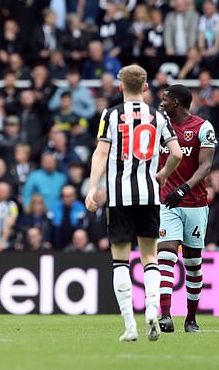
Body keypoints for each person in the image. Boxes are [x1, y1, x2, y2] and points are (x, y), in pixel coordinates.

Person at [85, 64, 182, 342]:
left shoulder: (110, 115)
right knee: (150, 257)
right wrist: (162, 174)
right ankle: (152, 309)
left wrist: (92, 187)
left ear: (120, 87)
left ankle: (130, 327)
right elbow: (175, 152)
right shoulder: (158, 115)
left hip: (119, 197)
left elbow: (101, 153)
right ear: (146, 87)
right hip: (149, 195)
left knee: (120, 262)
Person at [156, 84, 216, 333]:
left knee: (192, 263)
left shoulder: (203, 127)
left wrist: (184, 188)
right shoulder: (160, 126)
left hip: (194, 202)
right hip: (167, 201)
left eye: (165, 100)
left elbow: (206, 166)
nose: (161, 104)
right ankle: (166, 315)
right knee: (166, 254)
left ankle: (190, 319)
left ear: (178, 103)